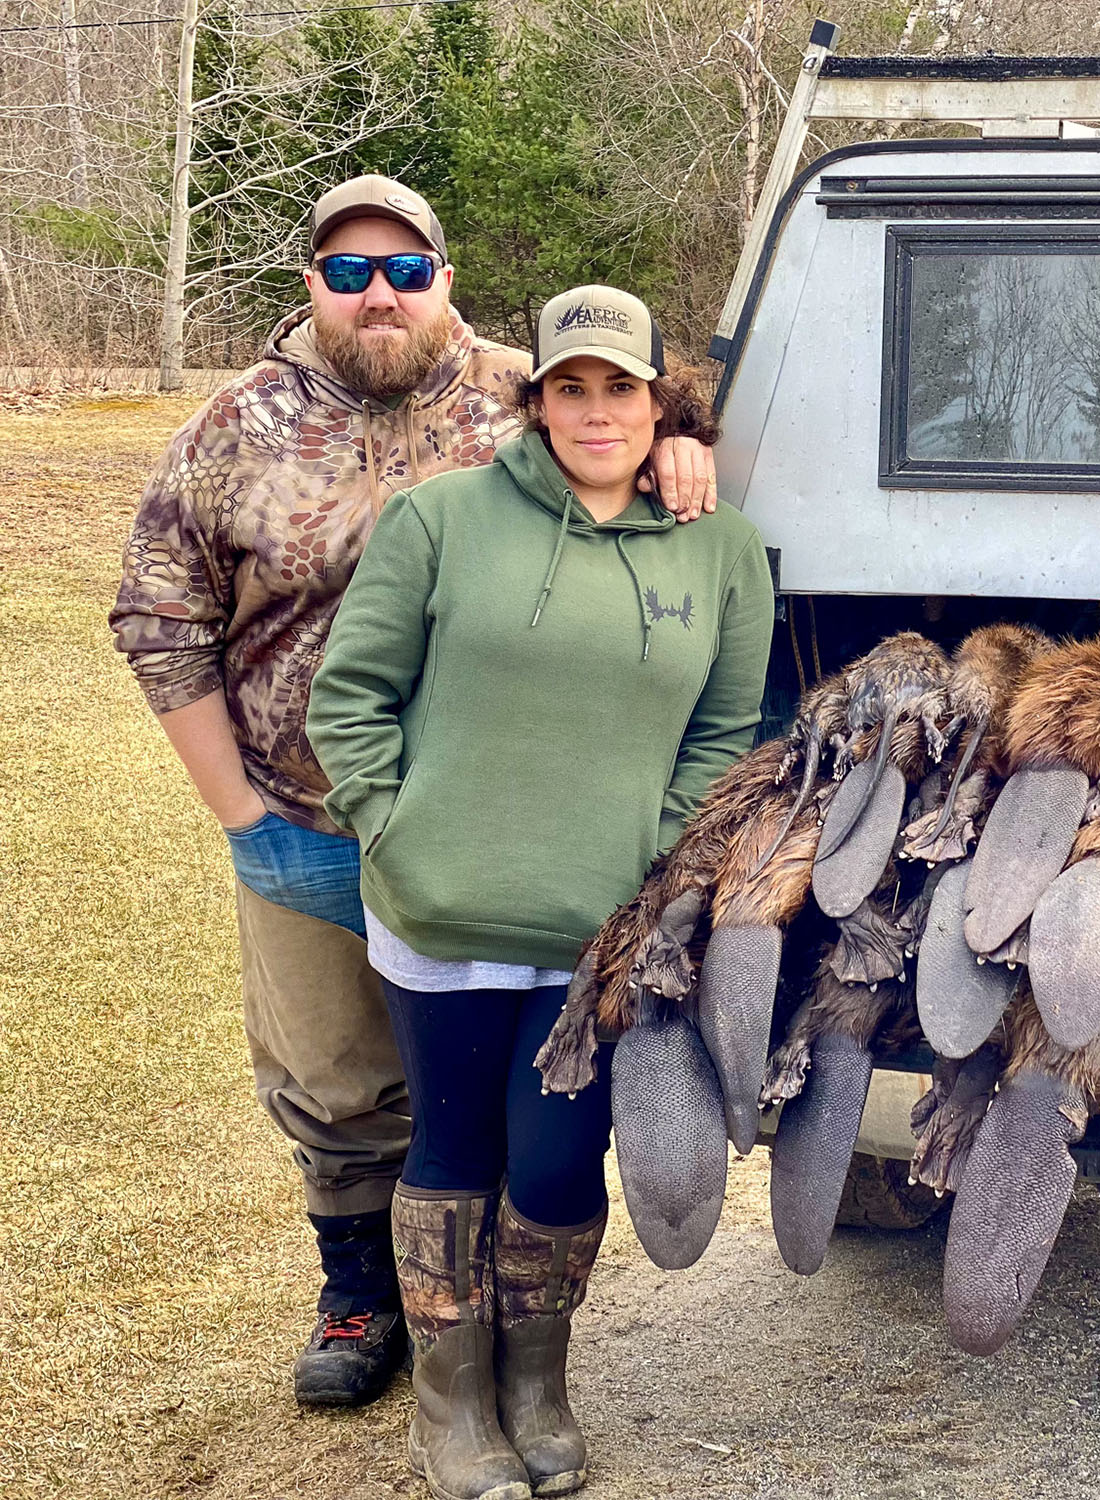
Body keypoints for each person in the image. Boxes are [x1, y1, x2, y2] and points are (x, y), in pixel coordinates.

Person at [108, 175, 721, 1410]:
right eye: (347, 272)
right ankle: (360, 1303)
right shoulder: (238, 426)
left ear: (444, 277)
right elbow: (157, 617)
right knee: (337, 1084)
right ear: (311, 288)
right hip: (310, 823)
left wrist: (687, 440)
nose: (376, 293)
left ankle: (503, 1340)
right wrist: (242, 817)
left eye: (403, 269)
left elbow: (630, 399)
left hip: (504, 829)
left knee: (502, 1092)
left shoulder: (524, 393)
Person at [306, 283, 774, 1500]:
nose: (595, 409)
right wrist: (394, 833)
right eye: (570, 387)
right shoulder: (440, 521)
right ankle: (451, 1408)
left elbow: (725, 731)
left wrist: (654, 863)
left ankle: (535, 1382)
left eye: (620, 386)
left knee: (559, 1160)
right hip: (442, 909)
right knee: (456, 1146)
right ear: (538, 400)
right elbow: (348, 699)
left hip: (599, 930)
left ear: (660, 400)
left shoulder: (720, 548)